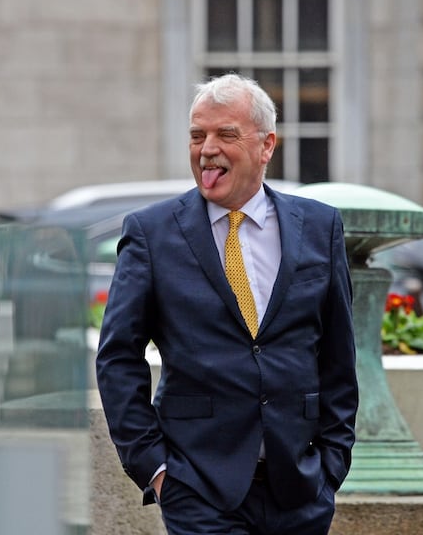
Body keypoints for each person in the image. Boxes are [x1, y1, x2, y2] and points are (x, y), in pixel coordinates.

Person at [96, 74, 358, 535]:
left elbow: (339, 355)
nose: (206, 149)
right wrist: (156, 468)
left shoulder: (320, 227)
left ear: (266, 145)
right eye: (198, 136)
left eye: (225, 135)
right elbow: (118, 357)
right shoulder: (152, 234)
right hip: (196, 490)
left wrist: (331, 465)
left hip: (300, 490)